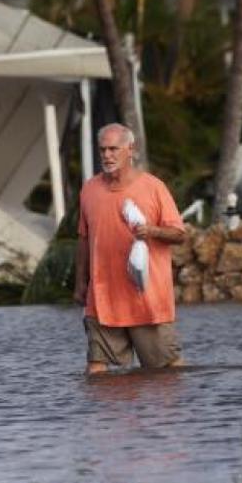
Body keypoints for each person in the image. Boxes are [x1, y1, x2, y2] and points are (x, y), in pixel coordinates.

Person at [75, 123, 187, 374]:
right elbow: (83, 239)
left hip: (146, 300)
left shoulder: (154, 187)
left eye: (113, 149)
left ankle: (175, 414)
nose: (107, 155)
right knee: (96, 372)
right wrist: (80, 282)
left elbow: (179, 234)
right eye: (102, 150)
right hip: (102, 299)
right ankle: (100, 415)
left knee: (169, 372)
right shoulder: (89, 189)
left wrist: (153, 231)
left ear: (131, 150)